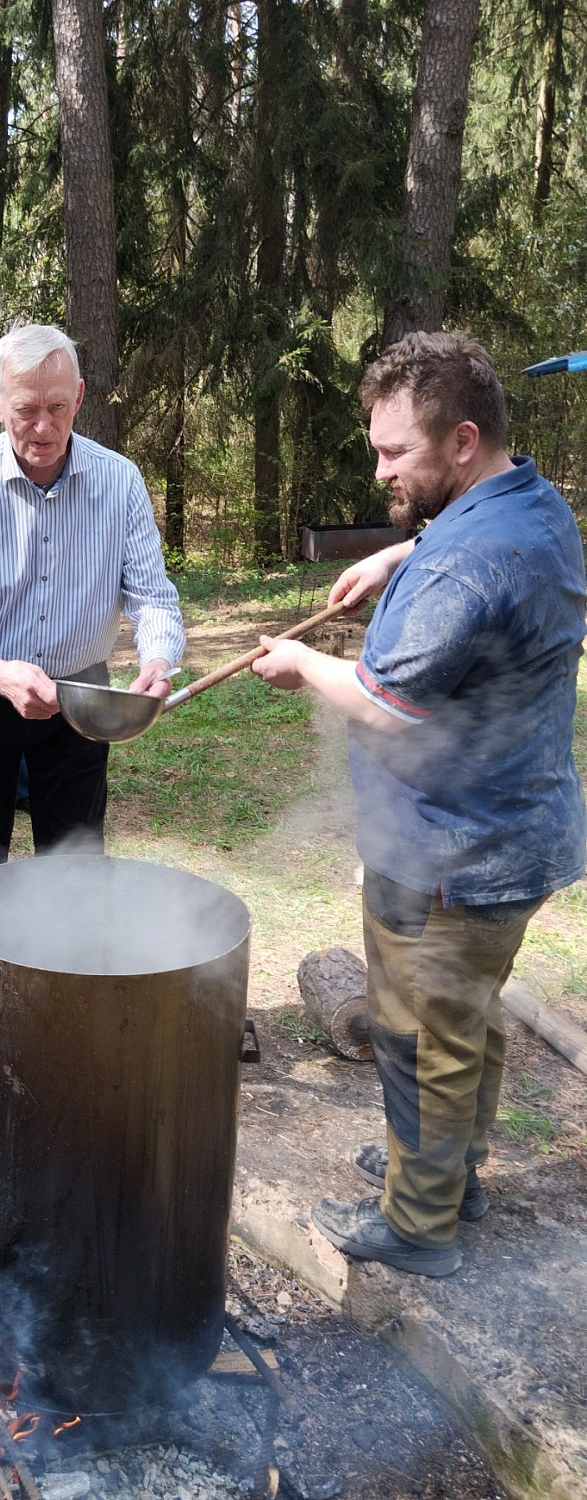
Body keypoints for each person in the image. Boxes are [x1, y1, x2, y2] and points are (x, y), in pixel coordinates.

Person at [251, 330, 586, 1277]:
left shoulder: (467, 562)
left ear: (463, 440)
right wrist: (400, 556)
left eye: (396, 452)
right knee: (462, 1023)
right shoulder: (529, 504)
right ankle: (445, 1170)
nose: (378, 467)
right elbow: (478, 569)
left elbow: (390, 708)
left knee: (416, 1035)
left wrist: (303, 662)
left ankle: (418, 1222)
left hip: (454, 851)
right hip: (512, 834)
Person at [0, 321, 186, 902]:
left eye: (58, 408)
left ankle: (67, 989)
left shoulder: (120, 481)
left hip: (83, 704)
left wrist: (159, 659)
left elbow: (152, 596)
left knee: (78, 870)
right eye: (26, 410)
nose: (44, 428)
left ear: (80, 397)